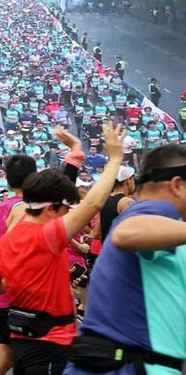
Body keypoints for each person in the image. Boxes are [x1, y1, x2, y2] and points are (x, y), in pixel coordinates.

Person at [0, 122, 125, 375]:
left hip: (23, 340)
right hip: (51, 344)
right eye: (65, 209)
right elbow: (92, 204)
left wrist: (75, 153)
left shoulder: (10, 236)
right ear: (50, 209)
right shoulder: (46, 236)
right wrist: (115, 159)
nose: (68, 214)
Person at [65, 144, 186, 375]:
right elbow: (125, 233)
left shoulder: (168, 229)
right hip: (126, 365)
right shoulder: (155, 209)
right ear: (177, 185)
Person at [0, 154, 38, 375]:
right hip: (17, 295)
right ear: (34, 177)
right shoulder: (25, 209)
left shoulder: (1, 207)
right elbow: (17, 250)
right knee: (28, 359)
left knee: (4, 360)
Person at [97, 166, 136, 243]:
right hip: (121, 248)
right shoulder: (126, 202)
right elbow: (133, 229)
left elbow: (97, 233)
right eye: (133, 179)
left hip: (107, 247)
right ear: (128, 180)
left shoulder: (104, 200)